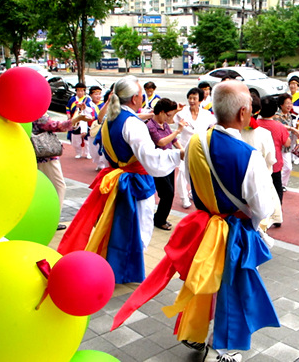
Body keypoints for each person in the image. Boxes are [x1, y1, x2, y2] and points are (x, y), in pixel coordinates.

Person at [112, 80, 280, 362]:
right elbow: (263, 208)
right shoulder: (248, 156)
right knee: (232, 287)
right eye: (250, 107)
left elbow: (188, 184)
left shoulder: (195, 142)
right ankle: (222, 349)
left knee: (203, 280)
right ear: (242, 113)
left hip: (204, 225)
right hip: (234, 231)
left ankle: (195, 331)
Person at [57, 75, 184, 284]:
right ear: (135, 98)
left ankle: (113, 268)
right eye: (141, 92)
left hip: (118, 179)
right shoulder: (133, 124)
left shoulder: (111, 119)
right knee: (139, 230)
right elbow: (151, 158)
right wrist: (177, 155)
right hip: (136, 183)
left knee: (119, 227)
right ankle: (124, 271)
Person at [33, 113, 88, 230]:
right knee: (59, 186)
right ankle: (53, 219)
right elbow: (56, 126)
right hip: (46, 157)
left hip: (35, 155)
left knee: (40, 188)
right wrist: (77, 119)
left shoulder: (25, 111)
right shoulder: (36, 113)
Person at [240, 94, 283, 229]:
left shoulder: (233, 131)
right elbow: (271, 160)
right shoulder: (264, 134)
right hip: (259, 183)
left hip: (237, 184)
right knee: (259, 224)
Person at [174, 87, 216, 209]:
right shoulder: (182, 113)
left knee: (198, 171)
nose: (191, 101)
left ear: (200, 100)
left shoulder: (207, 115)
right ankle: (183, 198)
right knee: (182, 171)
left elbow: (214, 127)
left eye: (194, 98)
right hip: (184, 146)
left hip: (200, 147)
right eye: (190, 98)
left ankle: (194, 192)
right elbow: (170, 119)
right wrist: (176, 109)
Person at [147, 98, 185, 231]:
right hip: (157, 164)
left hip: (168, 162)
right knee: (166, 193)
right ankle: (159, 219)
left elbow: (173, 140)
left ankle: (160, 217)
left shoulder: (164, 124)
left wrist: (182, 150)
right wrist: (178, 130)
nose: (169, 118)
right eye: (168, 115)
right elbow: (161, 142)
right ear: (161, 112)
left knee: (170, 192)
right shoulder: (151, 126)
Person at [258, 96, 290, 215]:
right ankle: (276, 213)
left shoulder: (255, 124)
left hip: (258, 164)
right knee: (277, 188)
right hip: (275, 164)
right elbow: (287, 142)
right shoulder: (279, 126)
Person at [274, 93, 299, 190]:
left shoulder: (290, 115)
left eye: (291, 103)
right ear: (281, 105)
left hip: (286, 146)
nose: (290, 106)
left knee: (288, 167)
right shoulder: (277, 115)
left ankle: (282, 184)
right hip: (277, 145)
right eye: (287, 103)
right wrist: (293, 129)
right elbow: (280, 126)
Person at [66, 82, 92, 159]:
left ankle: (88, 153)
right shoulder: (72, 99)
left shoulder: (87, 99)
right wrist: (68, 115)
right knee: (76, 138)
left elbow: (90, 109)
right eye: (78, 91)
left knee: (86, 137)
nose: (80, 92)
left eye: (82, 91)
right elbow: (68, 107)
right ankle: (78, 152)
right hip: (75, 120)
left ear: (84, 91)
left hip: (84, 120)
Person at [88, 85, 108, 171]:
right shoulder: (87, 105)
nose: (98, 96)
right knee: (93, 148)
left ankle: (103, 164)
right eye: (96, 94)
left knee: (102, 147)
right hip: (92, 129)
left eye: (100, 94)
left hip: (103, 129)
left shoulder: (104, 105)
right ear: (91, 95)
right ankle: (98, 163)